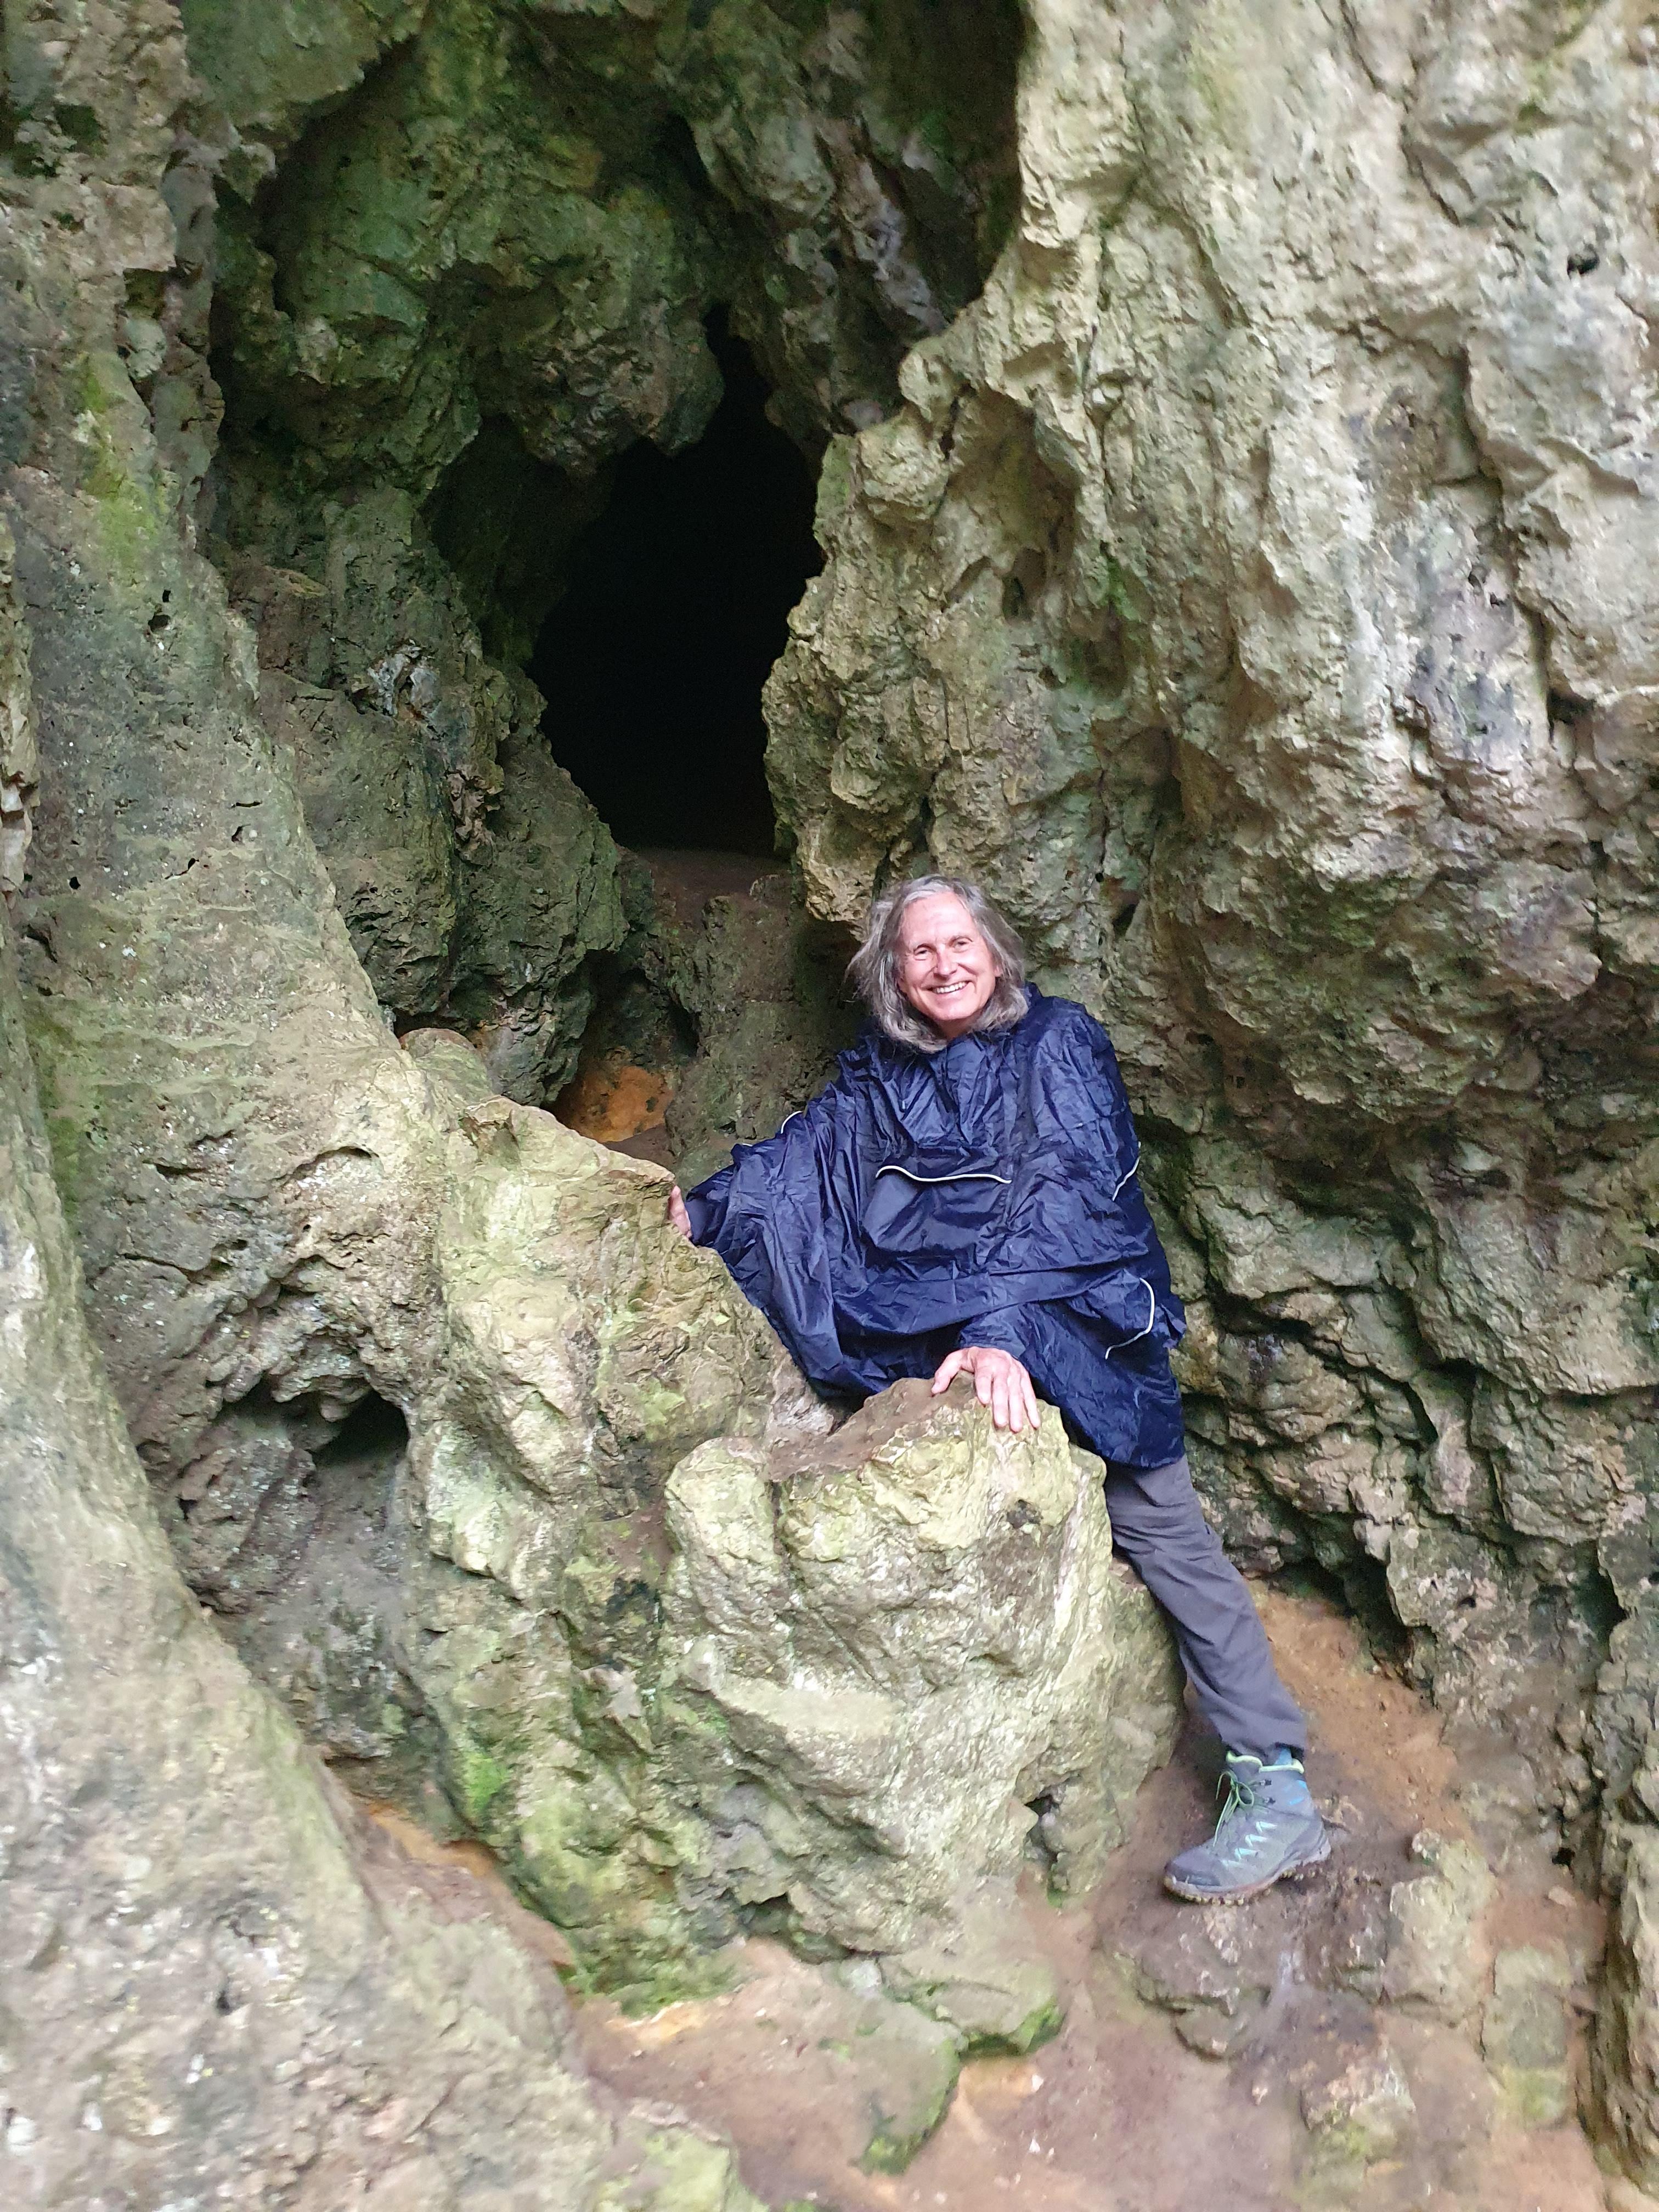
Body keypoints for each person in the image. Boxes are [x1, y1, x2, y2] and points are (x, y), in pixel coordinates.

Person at [667, 876, 1328, 1903]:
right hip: (962, 1329)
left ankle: (1277, 1790)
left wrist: (999, 1337)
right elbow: (806, 1161)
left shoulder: (1059, 1043)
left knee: (1162, 1526)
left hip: (1082, 1325)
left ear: (996, 951)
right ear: (894, 975)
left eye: (960, 944)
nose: (944, 966)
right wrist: (701, 1214)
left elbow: (1058, 1202)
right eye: (920, 952)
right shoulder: (886, 1070)